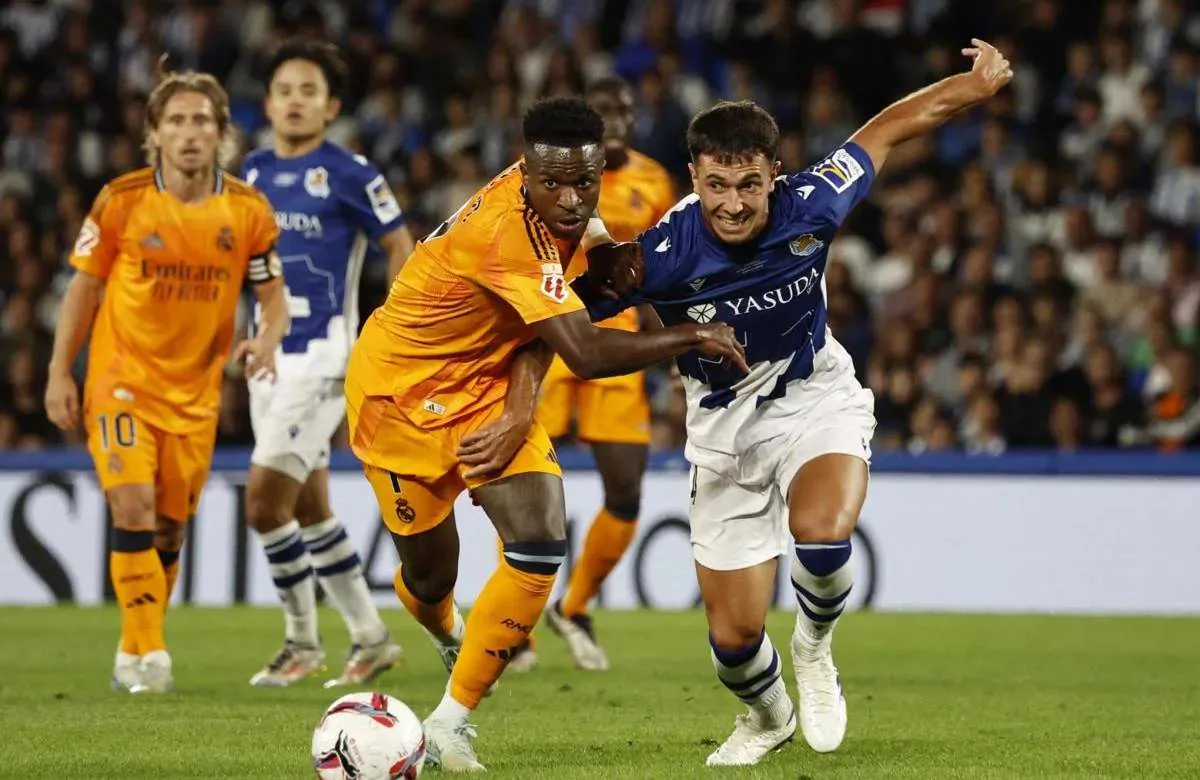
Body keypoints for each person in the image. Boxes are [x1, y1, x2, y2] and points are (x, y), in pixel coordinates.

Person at [573, 40, 1013, 766]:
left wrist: (974, 84)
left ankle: (814, 649)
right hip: (722, 429)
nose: (734, 203)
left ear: (773, 174)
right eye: (717, 185)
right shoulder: (660, 254)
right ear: (695, 177)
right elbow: (564, 324)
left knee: (823, 531)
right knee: (734, 644)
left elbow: (891, 125)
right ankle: (768, 716)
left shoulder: (813, 200)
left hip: (815, 396)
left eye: (749, 183)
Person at [343, 95, 746, 771]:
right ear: (522, 168)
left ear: (600, 170)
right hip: (398, 395)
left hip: (484, 387)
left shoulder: (560, 215)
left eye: (584, 183)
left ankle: (449, 722)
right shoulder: (507, 234)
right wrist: (693, 334)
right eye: (553, 183)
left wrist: (520, 403)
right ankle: (447, 630)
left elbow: (558, 303)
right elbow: (584, 352)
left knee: (537, 539)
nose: (570, 198)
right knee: (429, 575)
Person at [43, 66, 289, 694]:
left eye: (201, 121)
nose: (189, 133)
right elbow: (84, 289)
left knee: (169, 528)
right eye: (175, 121)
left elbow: (273, 294)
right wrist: (58, 373)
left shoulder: (248, 210)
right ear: (153, 134)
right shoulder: (121, 199)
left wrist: (265, 336)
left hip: (195, 394)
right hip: (120, 378)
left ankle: (133, 649)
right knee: (132, 504)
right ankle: (152, 654)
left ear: (221, 133)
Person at [240, 39, 413, 689]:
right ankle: (370, 637)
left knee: (263, 502)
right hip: (269, 357)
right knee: (309, 507)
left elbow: (402, 244)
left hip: (325, 356)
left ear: (331, 105)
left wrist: (387, 326)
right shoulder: (251, 172)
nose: (294, 101)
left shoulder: (351, 173)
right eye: (284, 90)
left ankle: (302, 642)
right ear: (269, 103)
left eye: (308, 91)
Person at [514, 76, 676, 673]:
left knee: (627, 489)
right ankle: (516, 627)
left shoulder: (655, 182)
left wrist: (675, 355)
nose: (620, 119)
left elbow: (659, 271)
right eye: (606, 111)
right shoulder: (547, 172)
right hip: (550, 335)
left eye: (627, 108)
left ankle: (574, 607)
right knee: (521, 482)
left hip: (614, 339)